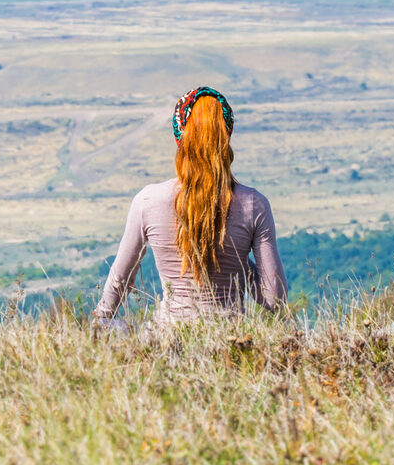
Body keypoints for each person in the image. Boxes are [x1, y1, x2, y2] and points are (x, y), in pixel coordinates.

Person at [95, 86, 288, 327]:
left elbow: (120, 279)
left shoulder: (148, 200)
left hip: (164, 341)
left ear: (179, 136)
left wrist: (101, 319)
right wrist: (237, 258)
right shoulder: (254, 204)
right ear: (226, 135)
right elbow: (275, 300)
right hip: (230, 344)